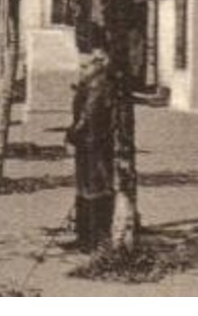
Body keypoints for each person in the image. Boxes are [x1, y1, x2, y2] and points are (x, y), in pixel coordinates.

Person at [68, 24, 114, 252]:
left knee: (95, 184)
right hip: (88, 138)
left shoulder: (100, 75)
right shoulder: (95, 72)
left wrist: (75, 130)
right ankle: (85, 235)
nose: (84, 65)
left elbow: (92, 109)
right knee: (86, 185)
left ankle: (95, 237)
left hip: (94, 137)